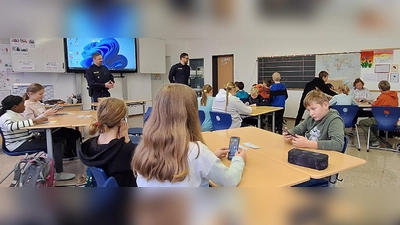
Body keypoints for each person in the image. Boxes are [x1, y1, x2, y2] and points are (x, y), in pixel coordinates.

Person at [131, 84, 246, 187]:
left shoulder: (144, 149)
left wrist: (211, 158)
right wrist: (238, 160)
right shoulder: (196, 151)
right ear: (191, 113)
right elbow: (230, 180)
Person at [0, 95, 75, 181]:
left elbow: (25, 127)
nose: (24, 106)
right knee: (56, 144)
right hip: (17, 144)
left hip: (25, 139)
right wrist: (34, 121)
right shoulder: (5, 116)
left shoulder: (15, 114)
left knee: (60, 140)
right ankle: (58, 173)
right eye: (23, 105)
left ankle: (52, 165)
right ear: (15, 107)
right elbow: (10, 127)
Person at [78, 98, 137, 187]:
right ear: (121, 121)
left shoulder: (89, 146)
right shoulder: (126, 150)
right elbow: (139, 168)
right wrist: (126, 139)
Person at [22, 83, 82, 158]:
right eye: (40, 94)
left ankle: (74, 153)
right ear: (31, 94)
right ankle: (68, 154)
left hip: (48, 125)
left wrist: (52, 113)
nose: (42, 96)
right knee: (71, 135)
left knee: (75, 133)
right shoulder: (26, 105)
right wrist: (45, 114)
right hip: (41, 130)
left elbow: (44, 115)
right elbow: (30, 122)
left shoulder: (38, 103)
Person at [359, 81, 399, 147]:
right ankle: (376, 138)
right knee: (372, 121)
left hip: (382, 120)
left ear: (380, 89)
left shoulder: (382, 97)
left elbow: (374, 105)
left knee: (362, 123)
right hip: (393, 121)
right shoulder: (395, 96)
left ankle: (374, 140)